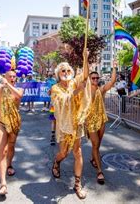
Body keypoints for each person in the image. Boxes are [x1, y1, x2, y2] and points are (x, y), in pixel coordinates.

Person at [50, 50, 91, 200]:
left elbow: (85, 76)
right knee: (64, 153)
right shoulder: (55, 88)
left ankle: (77, 184)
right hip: (64, 125)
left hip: (77, 123)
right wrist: (76, 92)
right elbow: (61, 101)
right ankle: (56, 162)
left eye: (68, 70)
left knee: (78, 152)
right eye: (63, 70)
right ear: (58, 73)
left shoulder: (75, 82)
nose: (66, 72)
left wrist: (85, 58)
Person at [0, 66, 24, 197]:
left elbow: (18, 95)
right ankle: (3, 184)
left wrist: (8, 84)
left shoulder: (18, 89)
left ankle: (9, 165)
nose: (12, 78)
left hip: (14, 124)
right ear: (5, 77)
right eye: (9, 76)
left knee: (11, 147)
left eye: (14, 77)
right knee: (2, 151)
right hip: (1, 123)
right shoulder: (1, 90)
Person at [86, 61, 117, 185]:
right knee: (95, 144)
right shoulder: (85, 90)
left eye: (97, 78)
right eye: (93, 78)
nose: (95, 79)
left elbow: (113, 81)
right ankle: (99, 171)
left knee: (97, 145)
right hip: (90, 121)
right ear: (89, 79)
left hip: (101, 119)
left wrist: (114, 67)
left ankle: (94, 158)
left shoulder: (101, 89)